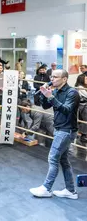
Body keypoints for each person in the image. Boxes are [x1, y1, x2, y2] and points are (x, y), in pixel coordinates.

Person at [30, 69, 80, 200]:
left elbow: (66, 109)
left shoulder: (72, 93)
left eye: (55, 77)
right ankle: (71, 190)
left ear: (64, 79)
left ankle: (46, 188)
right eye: (51, 76)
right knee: (63, 160)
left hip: (66, 130)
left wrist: (50, 96)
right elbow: (46, 106)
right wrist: (43, 94)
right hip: (59, 128)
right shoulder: (56, 90)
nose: (52, 79)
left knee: (53, 158)